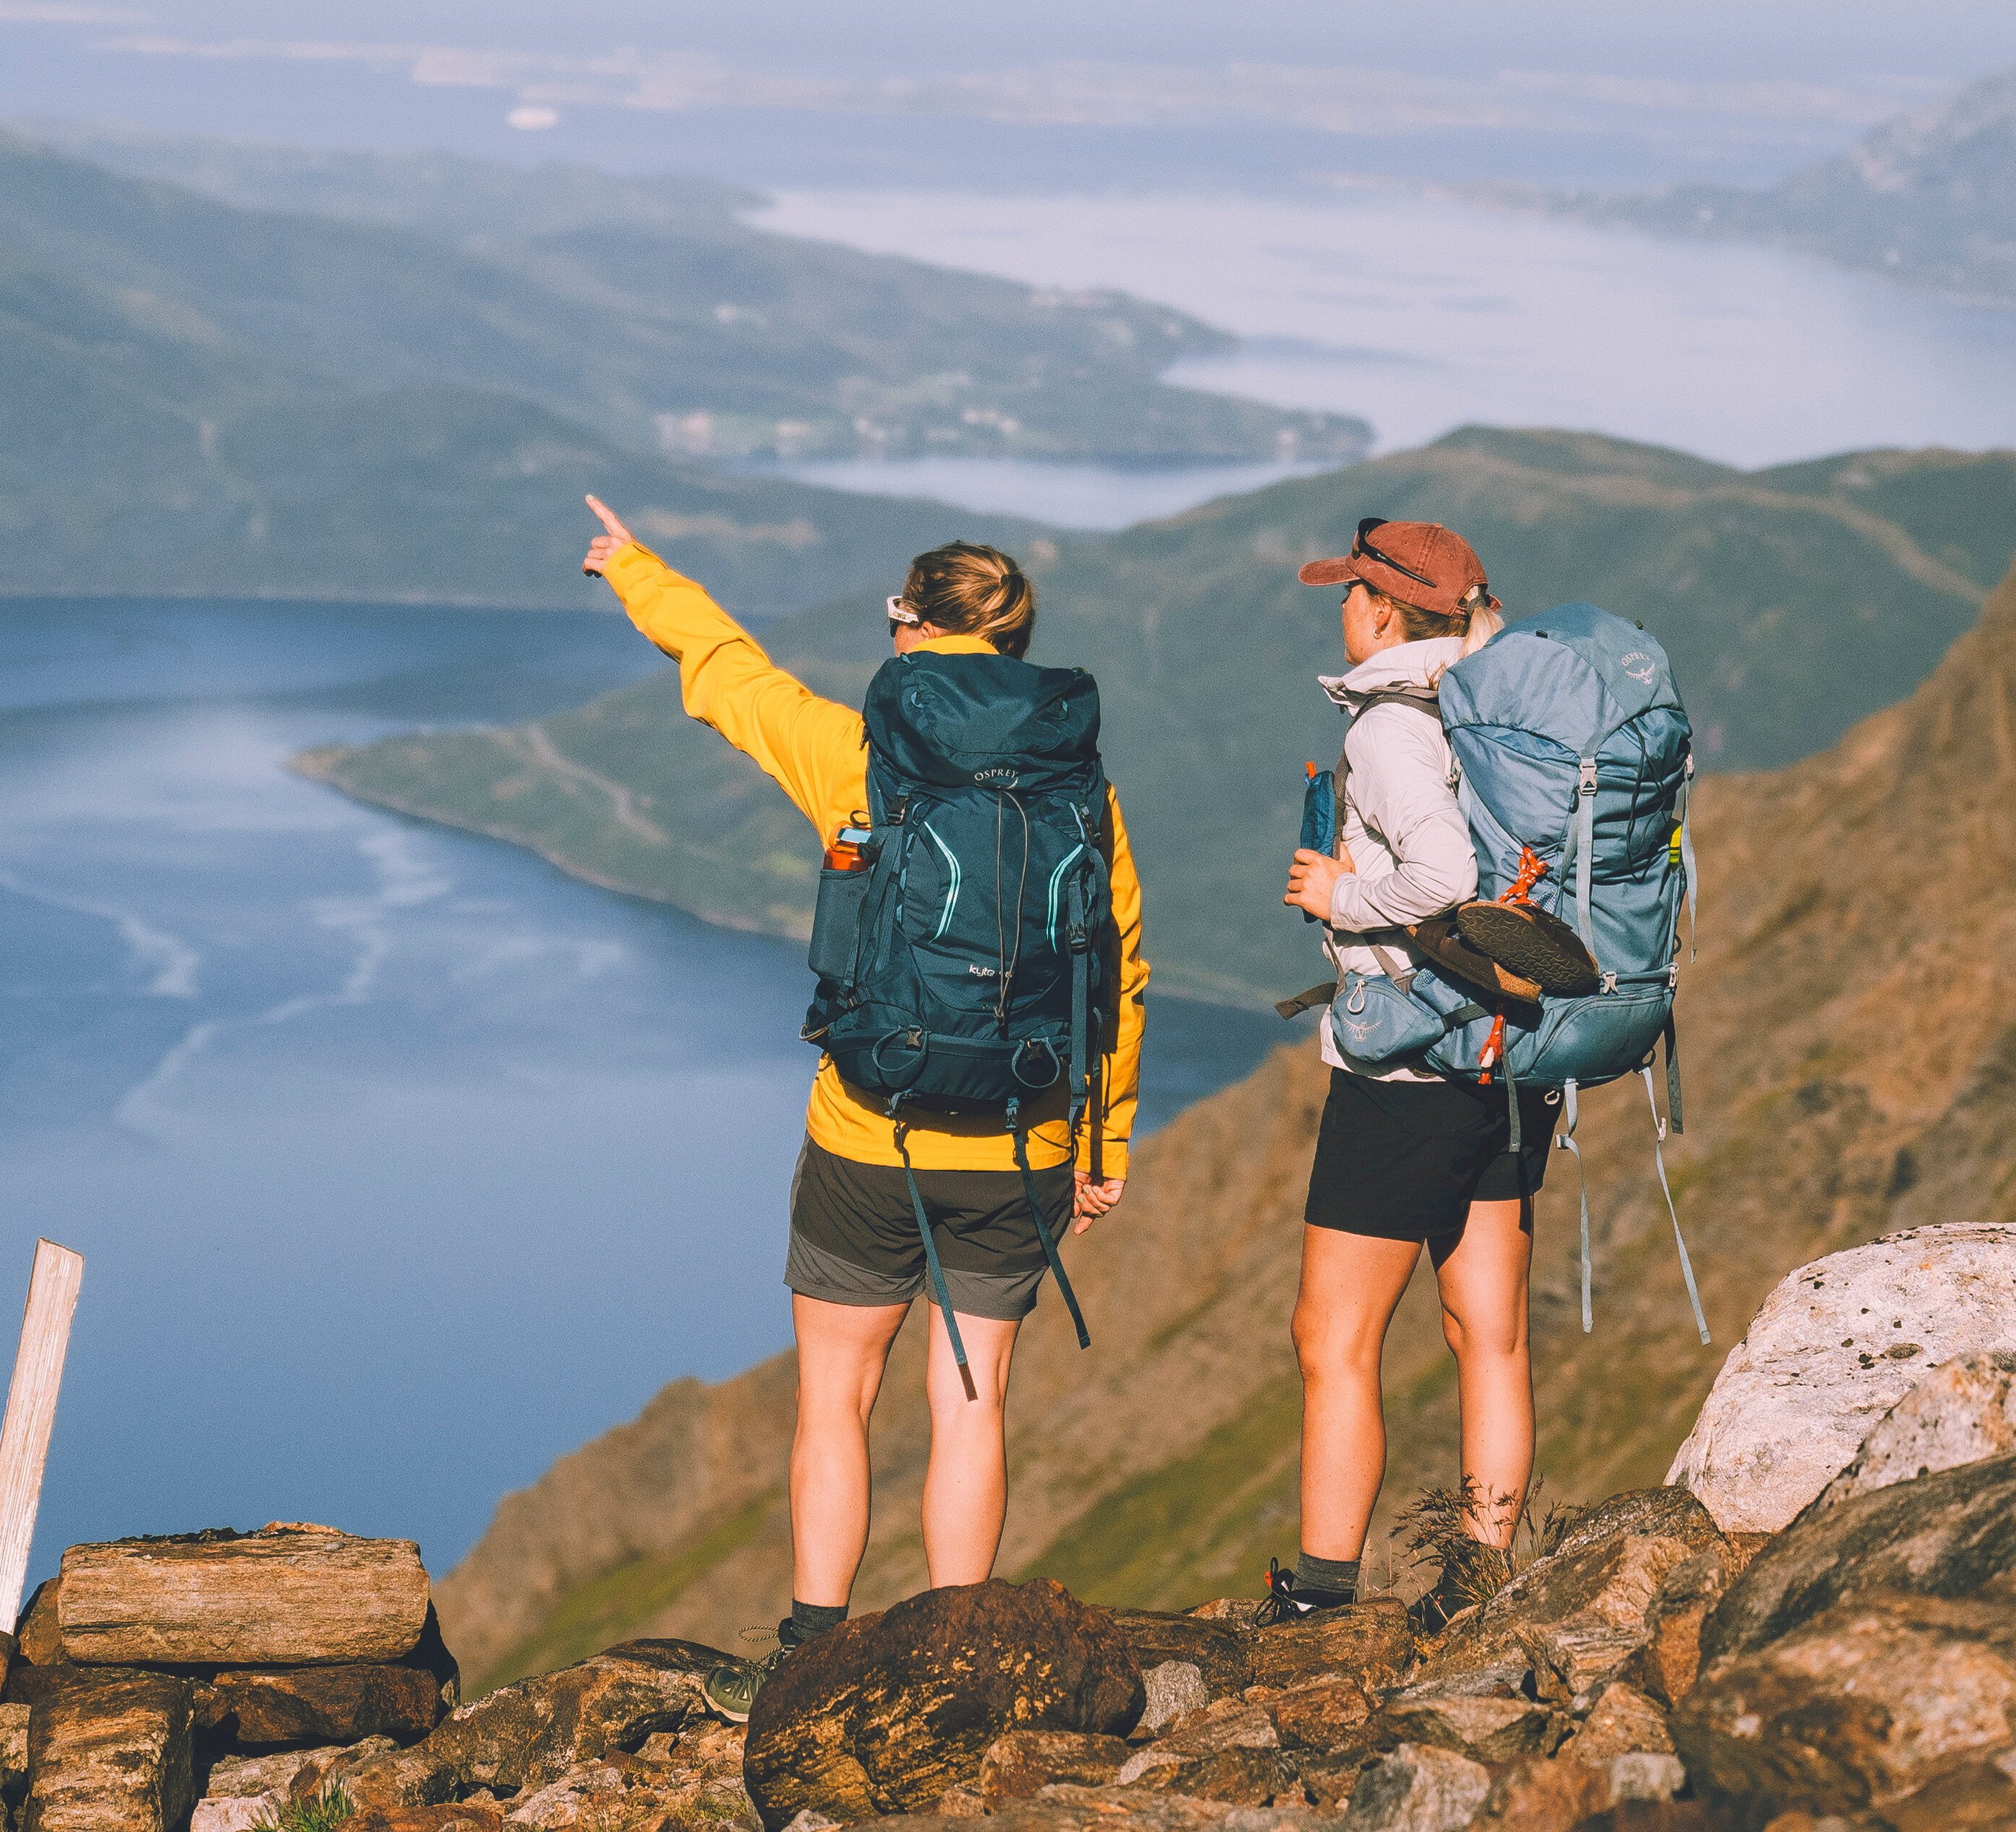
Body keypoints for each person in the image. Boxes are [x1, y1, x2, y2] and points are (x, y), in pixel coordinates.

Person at [579, 493, 1147, 1659]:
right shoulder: (1077, 789)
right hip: (1024, 1134)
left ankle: (813, 1645)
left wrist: (636, 570)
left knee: (834, 1397)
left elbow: (732, 680)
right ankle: (953, 1648)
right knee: (972, 1398)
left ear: (909, 628)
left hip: (867, 1129)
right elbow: (1118, 970)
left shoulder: (862, 758)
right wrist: (1104, 1147)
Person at [1269, 514, 1545, 1620]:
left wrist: (1340, 897)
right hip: (1511, 1053)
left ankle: (1323, 1593)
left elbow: (1437, 877)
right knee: (1490, 1332)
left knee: (1332, 1339)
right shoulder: (1497, 708)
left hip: (1407, 1072)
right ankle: (1480, 1572)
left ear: (1384, 609)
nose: (1339, 607)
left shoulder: (1391, 725)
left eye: (1349, 591)